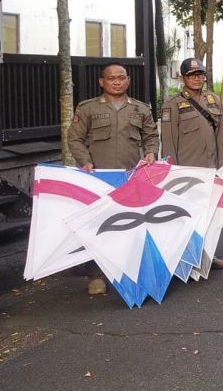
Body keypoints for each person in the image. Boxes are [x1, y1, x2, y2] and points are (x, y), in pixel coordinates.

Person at [67, 62, 159, 295]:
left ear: (128, 80)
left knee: (130, 224)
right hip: (99, 178)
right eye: (111, 78)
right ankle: (96, 275)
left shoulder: (140, 109)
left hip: (131, 177)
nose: (117, 82)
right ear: (102, 82)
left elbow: (151, 136)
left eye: (121, 78)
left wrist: (151, 153)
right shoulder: (87, 109)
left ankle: (128, 270)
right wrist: (84, 161)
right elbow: (75, 138)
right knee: (98, 225)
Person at [160, 57, 223, 270]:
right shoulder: (172, 105)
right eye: (191, 75)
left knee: (210, 214)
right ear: (182, 78)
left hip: (211, 169)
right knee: (189, 215)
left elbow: (222, 135)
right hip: (188, 172)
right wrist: (174, 173)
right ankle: (187, 257)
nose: (197, 78)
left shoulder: (213, 100)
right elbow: (169, 143)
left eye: (200, 74)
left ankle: (207, 254)